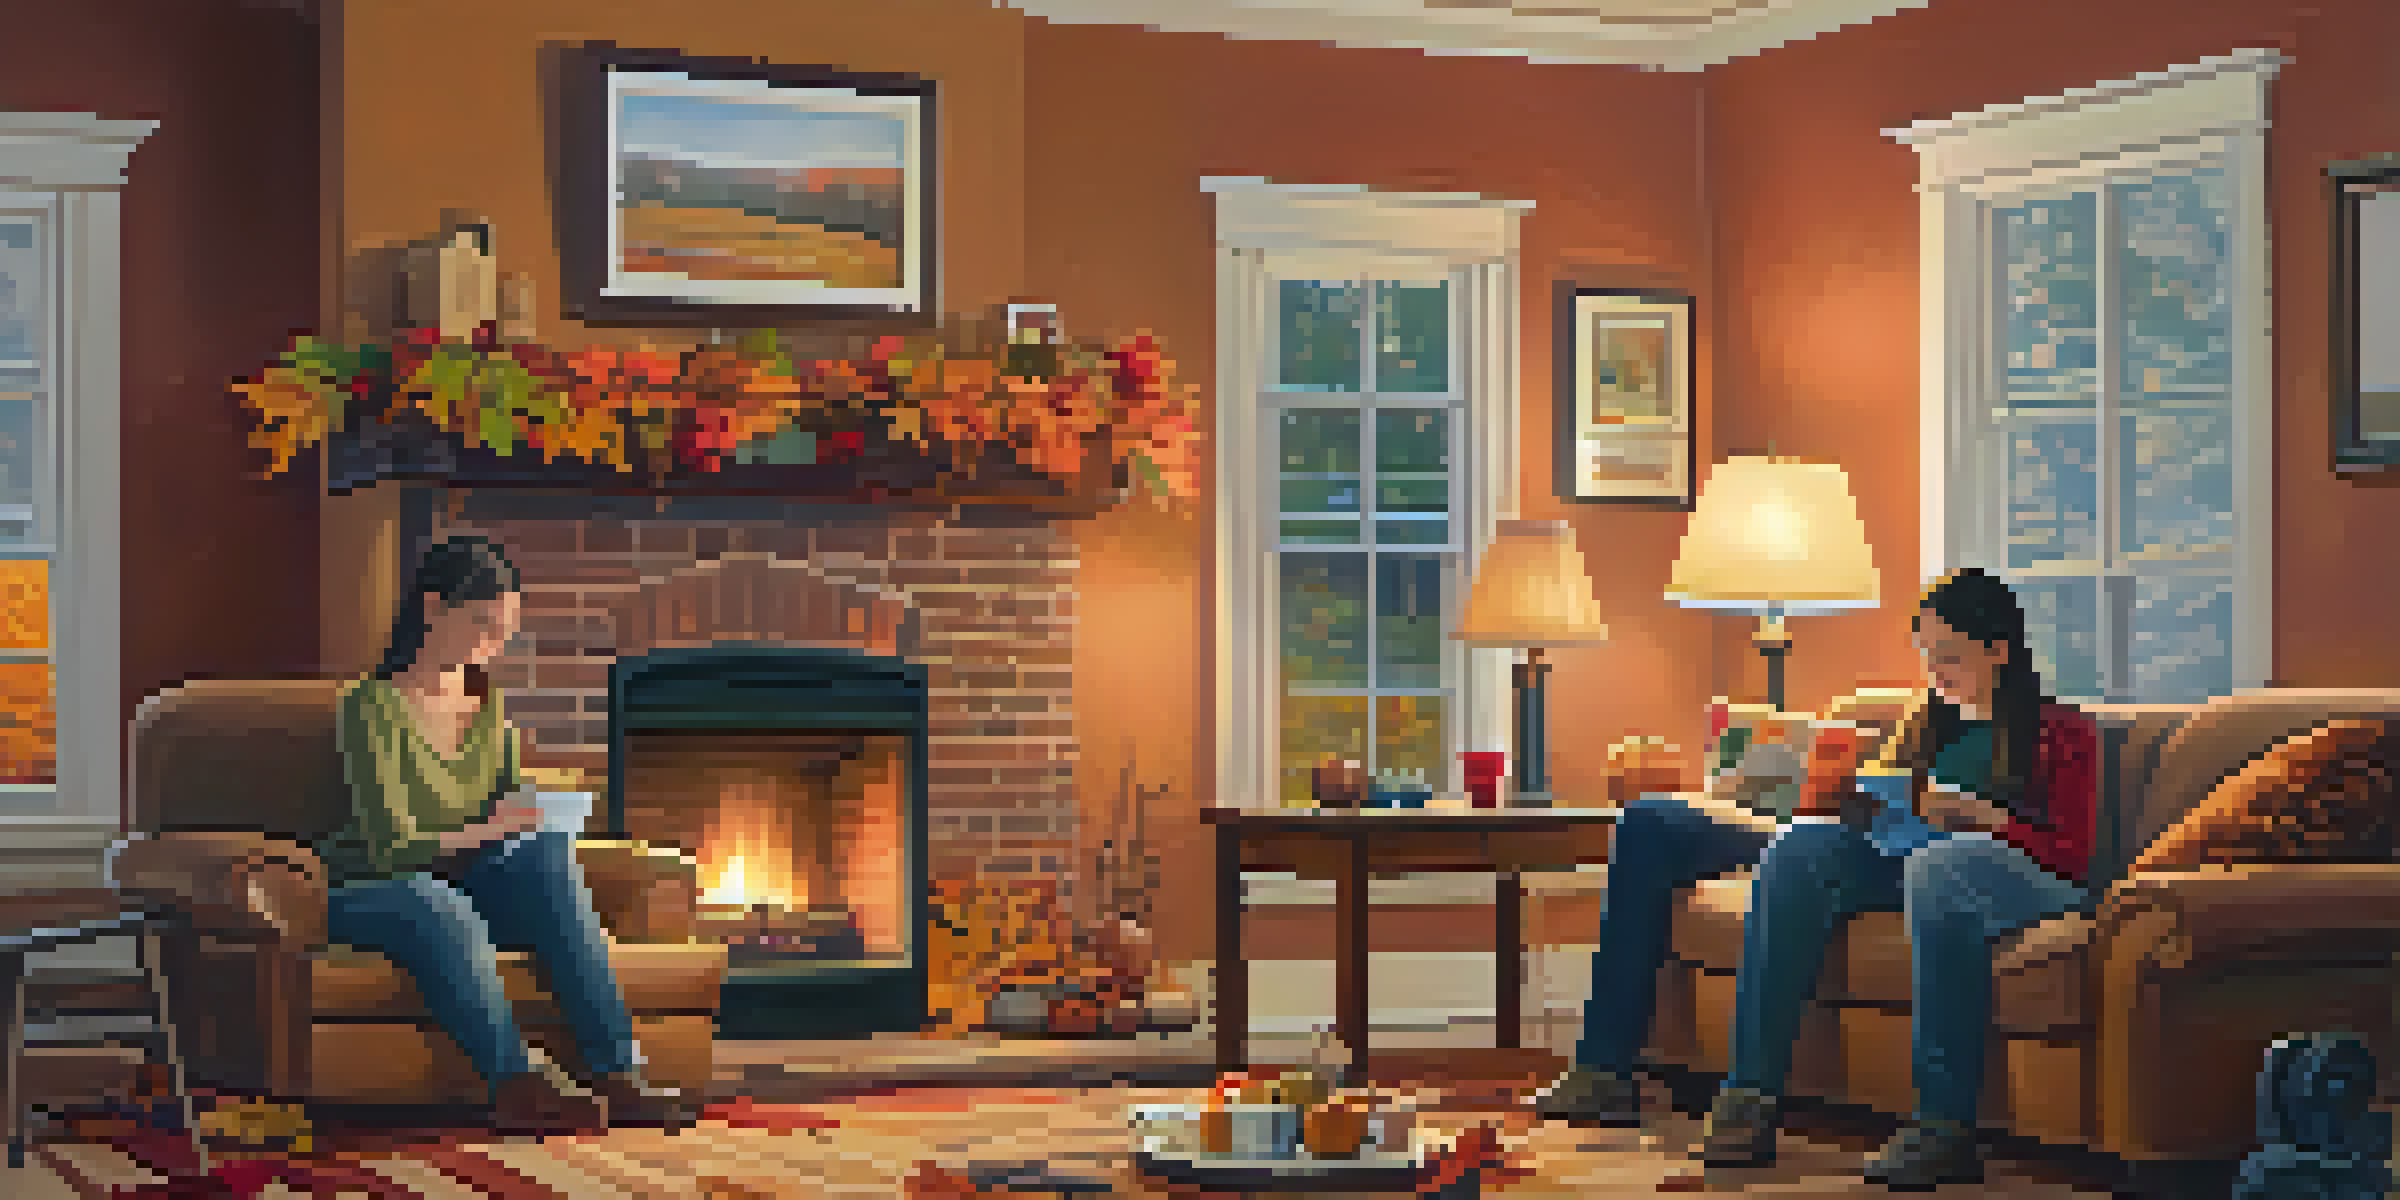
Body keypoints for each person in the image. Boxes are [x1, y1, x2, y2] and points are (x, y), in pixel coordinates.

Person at [1533, 567, 2098, 1190]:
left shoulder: (2061, 732)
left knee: (1940, 866)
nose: (1936, 672)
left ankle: (1943, 1128)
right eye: (1928, 656)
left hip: (1996, 870)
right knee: (1799, 848)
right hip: (1903, 855)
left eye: (1951, 657)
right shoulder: (1924, 726)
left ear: (1999, 649)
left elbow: (2072, 855)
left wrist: (1981, 816)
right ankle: (1748, 1098)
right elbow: (1877, 814)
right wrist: (1848, 802)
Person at [318, 535, 693, 1136]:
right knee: (434, 901)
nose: (498, 642)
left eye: (506, 628)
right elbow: (390, 845)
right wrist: (490, 828)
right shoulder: (371, 706)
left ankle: (618, 1073)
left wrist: (533, 822)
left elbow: (510, 809)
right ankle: (516, 1083)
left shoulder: (489, 707)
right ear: (433, 608)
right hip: (372, 886)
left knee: (543, 855)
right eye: (484, 624)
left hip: (464, 877)